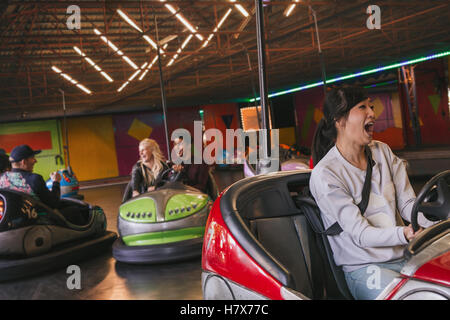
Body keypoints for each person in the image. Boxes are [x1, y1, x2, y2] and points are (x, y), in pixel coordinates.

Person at [309, 86, 435, 300]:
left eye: (371, 106)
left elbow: (408, 205)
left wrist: (436, 220)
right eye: (362, 107)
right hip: (365, 268)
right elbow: (361, 234)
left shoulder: (382, 151)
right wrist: (404, 234)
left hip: (406, 256)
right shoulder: (326, 175)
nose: (373, 113)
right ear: (339, 120)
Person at [0, 144, 87, 225]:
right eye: (32, 157)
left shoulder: (3, 178)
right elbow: (53, 204)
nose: (35, 161)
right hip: (38, 220)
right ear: (24, 162)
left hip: (15, 221)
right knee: (75, 210)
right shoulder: (34, 179)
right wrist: (56, 182)